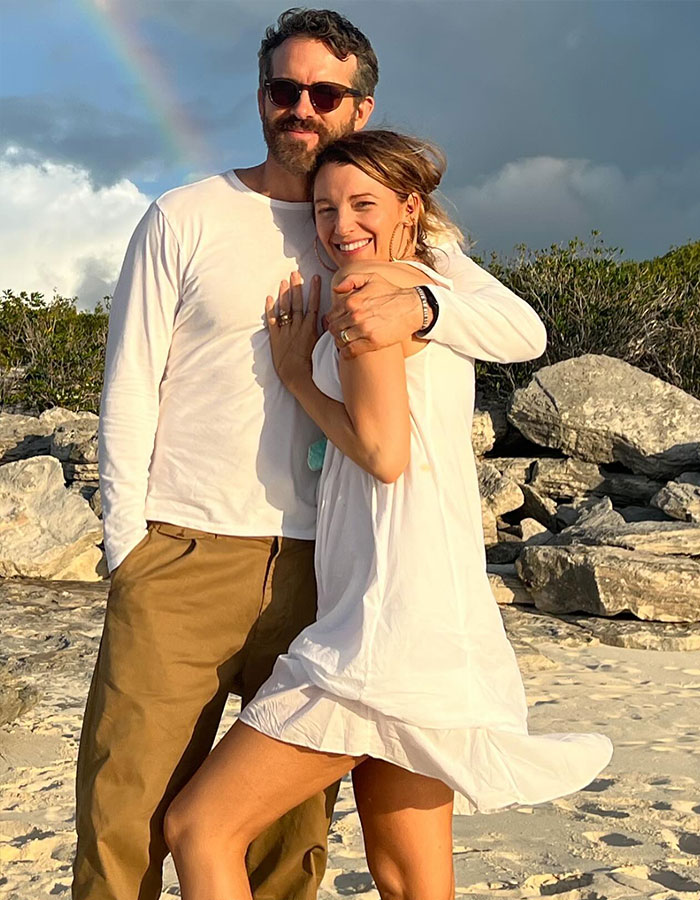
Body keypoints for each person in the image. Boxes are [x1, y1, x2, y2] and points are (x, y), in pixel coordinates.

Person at [72, 9, 552, 900]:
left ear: (359, 108)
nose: (301, 106)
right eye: (282, 89)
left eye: (323, 92)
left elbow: (523, 330)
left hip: (325, 573)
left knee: (288, 845)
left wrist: (426, 308)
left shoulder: (406, 243)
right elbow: (129, 385)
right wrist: (125, 547)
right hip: (184, 552)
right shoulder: (186, 215)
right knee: (126, 813)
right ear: (260, 98)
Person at [162, 129, 613, 898]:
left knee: (199, 828)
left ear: (412, 207)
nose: (340, 226)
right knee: (411, 879)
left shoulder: (366, 293)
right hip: (434, 606)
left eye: (363, 203)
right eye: (325, 208)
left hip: (378, 623)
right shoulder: (427, 287)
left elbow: (383, 453)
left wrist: (298, 376)